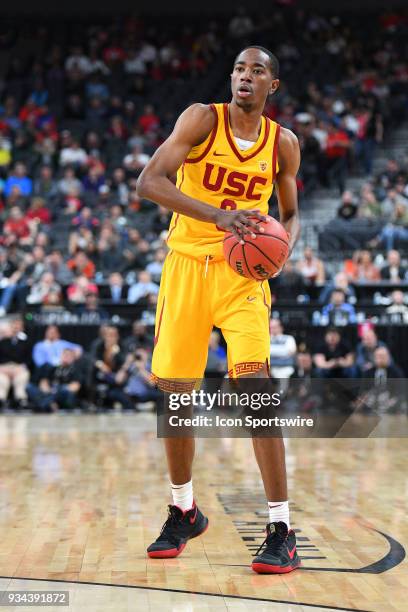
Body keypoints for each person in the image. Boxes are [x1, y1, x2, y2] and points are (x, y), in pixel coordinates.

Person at [137, 46, 300, 573]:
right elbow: (150, 182)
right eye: (238, 69)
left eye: (256, 71)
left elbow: (291, 211)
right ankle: (183, 510)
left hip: (241, 277)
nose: (244, 77)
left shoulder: (284, 144)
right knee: (176, 396)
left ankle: (281, 528)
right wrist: (219, 215)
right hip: (186, 267)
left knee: (256, 389)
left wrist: (283, 249)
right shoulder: (202, 119)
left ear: (272, 85)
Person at [0, 317, 31, 409]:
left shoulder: (26, 342)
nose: (16, 327)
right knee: (2, 382)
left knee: (20, 382)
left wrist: (22, 367)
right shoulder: (3, 341)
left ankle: (21, 401)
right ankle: (1, 401)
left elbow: (29, 359)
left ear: (22, 328)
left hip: (19, 369)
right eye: (14, 325)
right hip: (3, 368)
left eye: (18, 325)